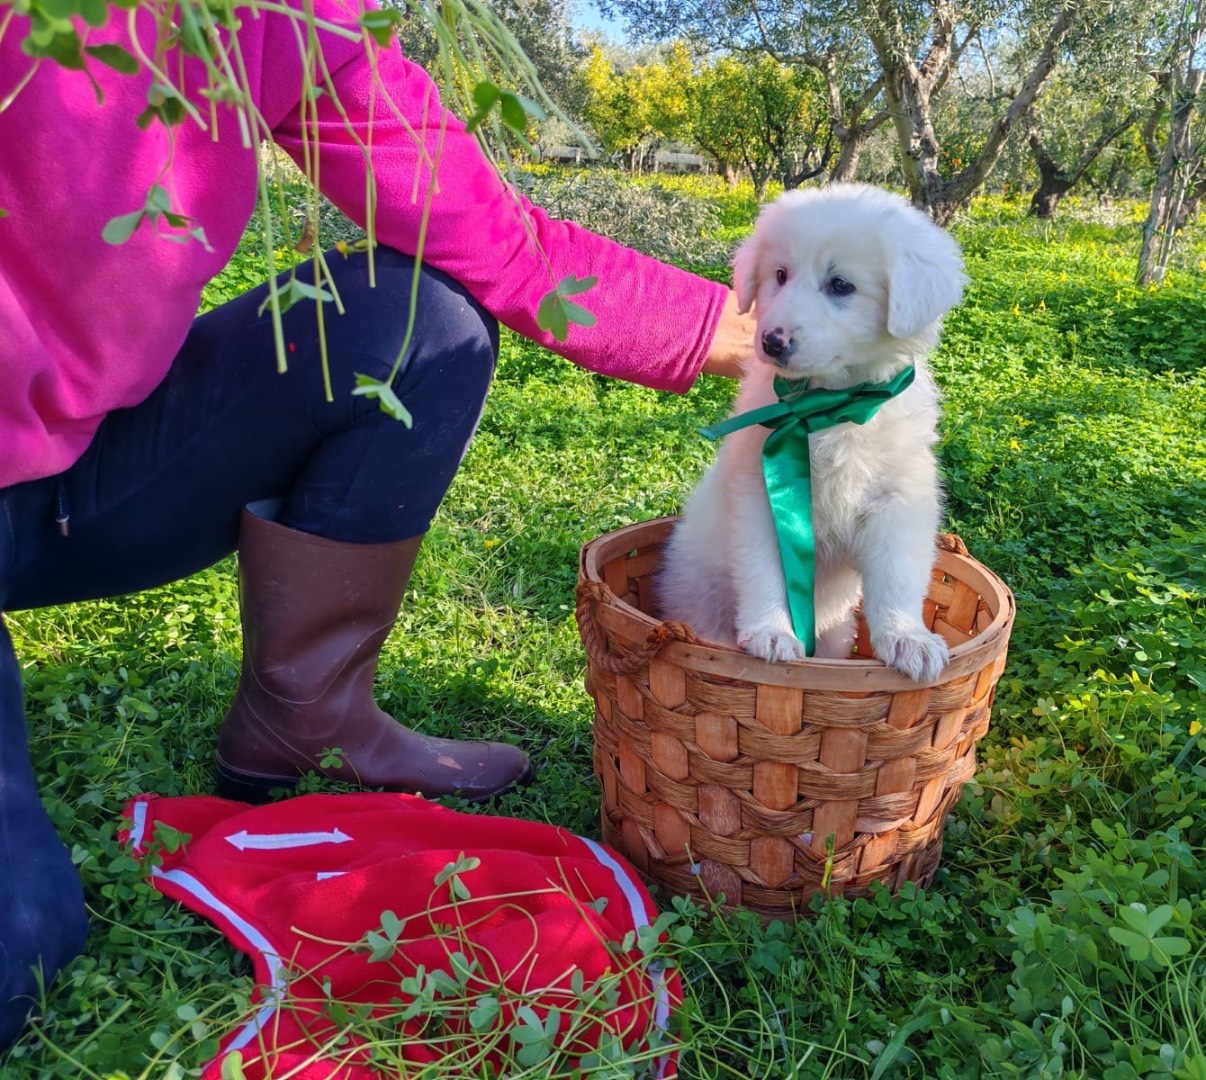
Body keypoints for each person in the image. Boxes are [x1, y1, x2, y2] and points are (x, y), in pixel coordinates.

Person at [0, 0, 755, 1050]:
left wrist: (783, 342)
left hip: (69, 478)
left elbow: (501, 243)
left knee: (415, 322)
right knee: (14, 948)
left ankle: (300, 720)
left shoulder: (281, 16)